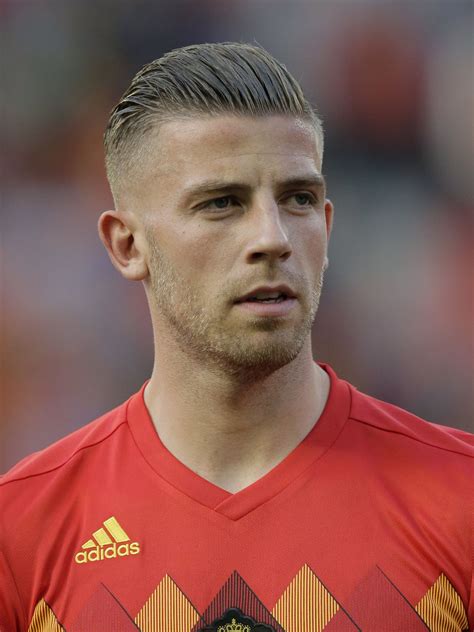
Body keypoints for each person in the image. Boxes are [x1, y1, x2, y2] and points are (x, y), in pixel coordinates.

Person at [0, 42, 472, 632]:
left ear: (325, 226)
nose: (272, 237)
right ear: (127, 245)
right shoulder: (21, 531)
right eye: (222, 203)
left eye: (297, 199)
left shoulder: (459, 502)